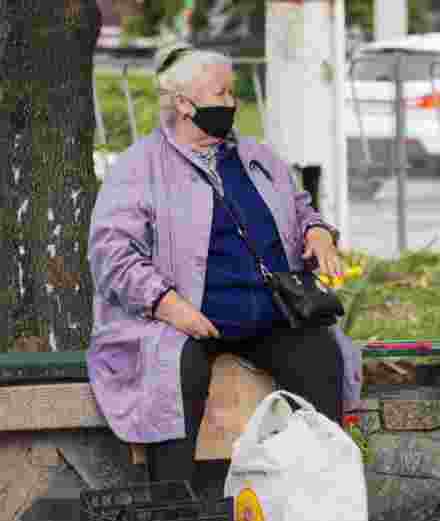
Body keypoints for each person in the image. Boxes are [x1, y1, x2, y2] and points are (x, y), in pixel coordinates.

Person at [87, 43, 351, 491]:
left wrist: (318, 232)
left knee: (320, 354)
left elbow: (301, 208)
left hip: (269, 315)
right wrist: (170, 306)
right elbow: (112, 254)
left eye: (233, 93)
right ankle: (172, 511)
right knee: (173, 369)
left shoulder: (258, 158)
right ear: (185, 104)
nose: (231, 103)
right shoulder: (139, 167)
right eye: (221, 93)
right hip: (182, 320)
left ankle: (315, 496)